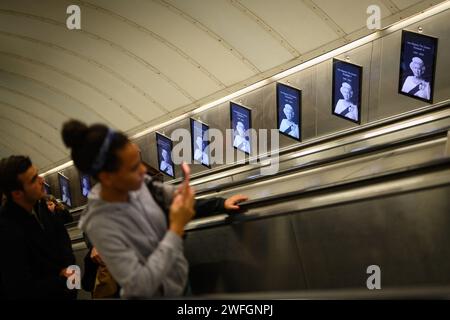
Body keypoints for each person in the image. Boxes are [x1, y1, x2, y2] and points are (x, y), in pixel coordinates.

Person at [62, 120, 247, 299]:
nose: (143, 171)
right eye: (134, 168)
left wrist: (220, 203)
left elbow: (171, 197)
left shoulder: (141, 185)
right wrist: (176, 228)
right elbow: (139, 285)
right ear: (107, 177)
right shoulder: (100, 224)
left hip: (179, 285)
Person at [0, 155, 76, 299]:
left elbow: (64, 242)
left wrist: (73, 279)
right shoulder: (7, 229)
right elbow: (20, 287)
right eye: (34, 179)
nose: (42, 180)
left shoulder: (41, 206)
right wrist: (64, 279)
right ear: (17, 193)